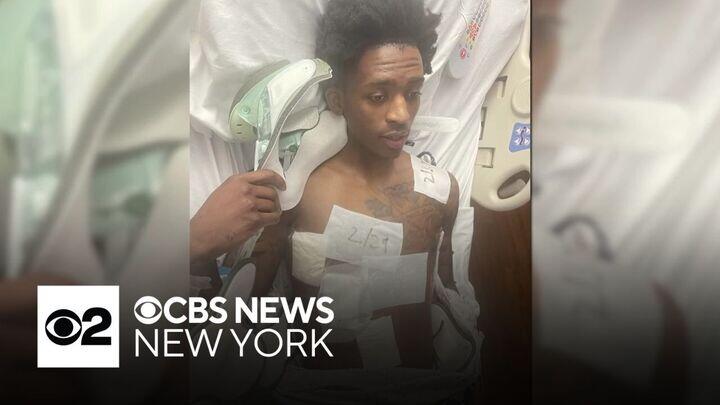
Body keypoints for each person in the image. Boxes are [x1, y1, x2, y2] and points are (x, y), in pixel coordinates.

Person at [247, 0, 460, 370]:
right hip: (314, 390)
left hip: (426, 388)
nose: (401, 115)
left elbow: (450, 294)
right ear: (337, 100)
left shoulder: (441, 192)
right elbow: (246, 307)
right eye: (378, 96)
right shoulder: (296, 194)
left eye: (412, 93)